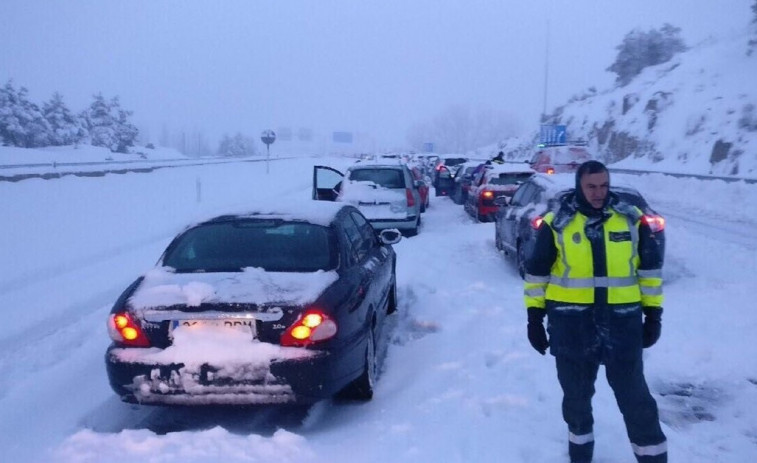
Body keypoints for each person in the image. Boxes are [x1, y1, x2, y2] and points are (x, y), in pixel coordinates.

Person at [523, 160, 667, 463]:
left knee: (637, 401)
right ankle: (580, 457)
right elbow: (537, 274)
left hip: (622, 325)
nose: (599, 192)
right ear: (579, 186)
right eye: (591, 186)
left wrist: (653, 315)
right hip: (571, 326)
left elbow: (650, 271)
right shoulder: (557, 222)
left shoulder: (631, 220)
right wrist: (534, 318)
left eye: (603, 185)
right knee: (576, 402)